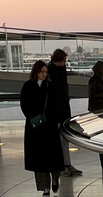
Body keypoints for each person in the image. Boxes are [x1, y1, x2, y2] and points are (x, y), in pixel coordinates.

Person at [20, 59, 65, 195]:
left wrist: (49, 118)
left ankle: (55, 179)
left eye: (46, 72)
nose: (44, 74)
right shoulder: (28, 86)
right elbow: (24, 105)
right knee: (40, 160)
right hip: (35, 128)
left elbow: (55, 104)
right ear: (36, 72)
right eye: (42, 72)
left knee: (53, 157)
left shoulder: (50, 87)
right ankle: (45, 187)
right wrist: (32, 118)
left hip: (49, 127)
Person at [48, 49, 83, 176]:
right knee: (59, 141)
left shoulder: (60, 71)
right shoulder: (51, 72)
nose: (65, 62)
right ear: (61, 59)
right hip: (56, 112)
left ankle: (66, 164)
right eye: (64, 59)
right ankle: (61, 166)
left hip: (63, 111)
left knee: (64, 140)